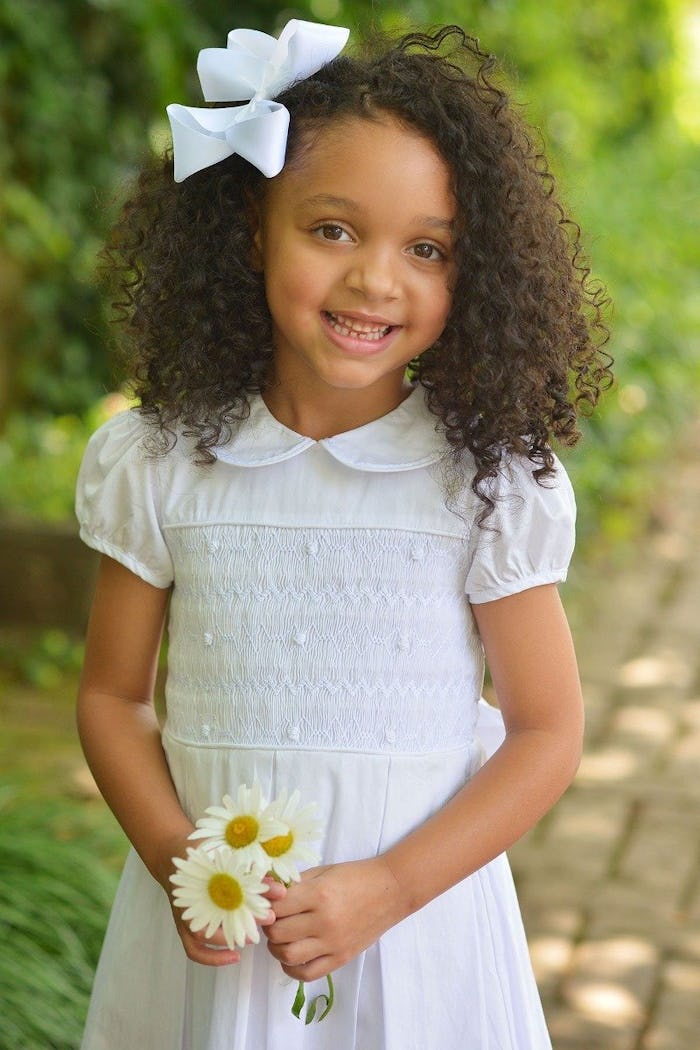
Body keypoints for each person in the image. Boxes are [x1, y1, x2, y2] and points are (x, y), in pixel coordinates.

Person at [75, 18, 611, 1050]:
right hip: (212, 940)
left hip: (415, 930)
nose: (376, 279)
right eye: (332, 230)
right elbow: (108, 696)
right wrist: (179, 863)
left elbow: (546, 732)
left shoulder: (483, 482)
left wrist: (391, 886)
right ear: (248, 231)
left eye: (425, 249)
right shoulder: (161, 461)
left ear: (474, 274)